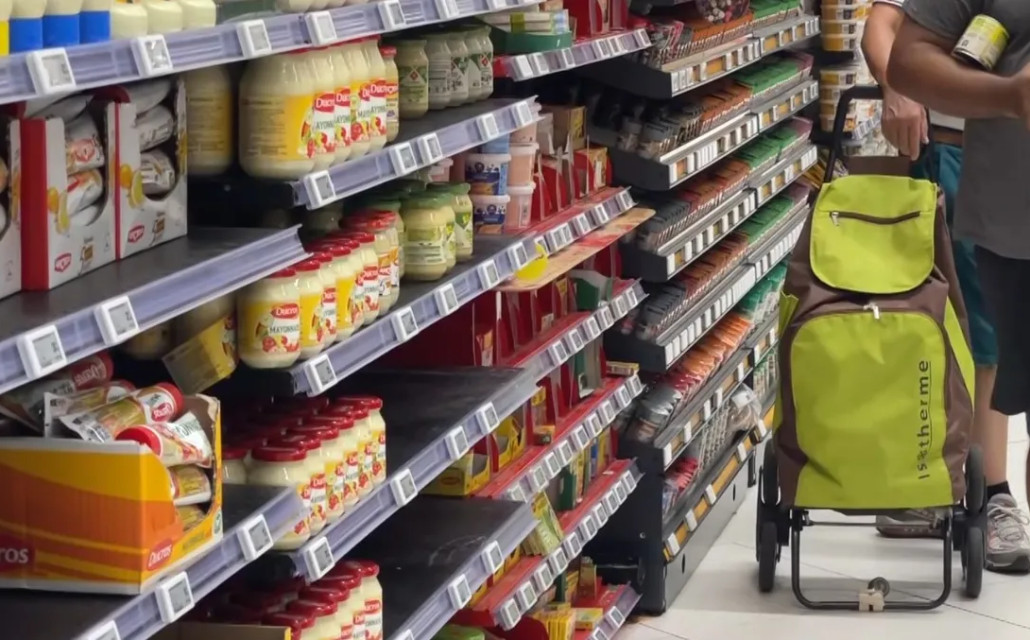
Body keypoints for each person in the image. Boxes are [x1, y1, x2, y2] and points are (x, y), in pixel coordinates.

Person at [881, 0, 1030, 573]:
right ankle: (985, 491)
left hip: (978, 175)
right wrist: (1009, 95)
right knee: (974, 341)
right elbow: (894, 41)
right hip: (985, 187)